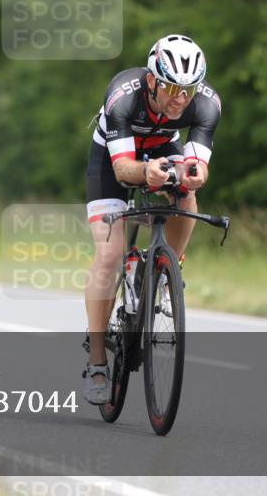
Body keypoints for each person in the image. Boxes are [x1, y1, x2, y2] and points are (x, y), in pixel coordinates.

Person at [82, 34, 222, 404]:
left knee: (186, 193)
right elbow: (125, 168)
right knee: (110, 256)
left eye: (189, 89)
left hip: (162, 147)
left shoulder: (205, 104)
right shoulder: (123, 97)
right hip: (113, 160)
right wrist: (147, 174)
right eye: (173, 87)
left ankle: (164, 270)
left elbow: (198, 165)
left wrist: (193, 175)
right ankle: (97, 360)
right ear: (151, 81)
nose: (181, 98)